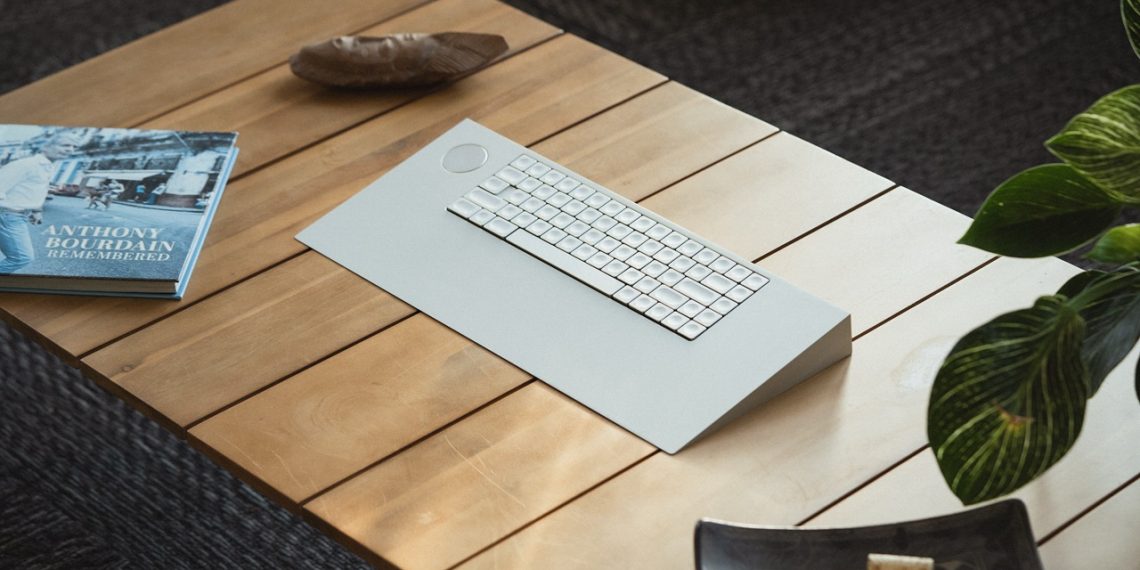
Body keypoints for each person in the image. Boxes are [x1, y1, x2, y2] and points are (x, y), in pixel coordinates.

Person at [0, 131, 82, 273]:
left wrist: (37, 210)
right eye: (65, 145)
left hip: (17, 216)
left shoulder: (47, 166)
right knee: (21, 258)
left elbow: (38, 189)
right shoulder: (26, 165)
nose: (71, 150)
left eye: (74, 147)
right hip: (8, 215)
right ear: (45, 146)